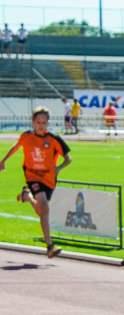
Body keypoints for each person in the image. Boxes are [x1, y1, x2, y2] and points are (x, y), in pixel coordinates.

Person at [0, 107, 72, 258]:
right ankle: (50, 246)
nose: (41, 125)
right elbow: (16, 146)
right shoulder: (27, 136)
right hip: (32, 176)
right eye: (38, 122)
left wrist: (58, 168)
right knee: (45, 208)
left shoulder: (54, 139)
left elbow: (68, 158)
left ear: (48, 123)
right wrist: (3, 161)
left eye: (44, 122)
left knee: (41, 211)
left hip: (49, 179)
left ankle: (27, 197)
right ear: (33, 122)